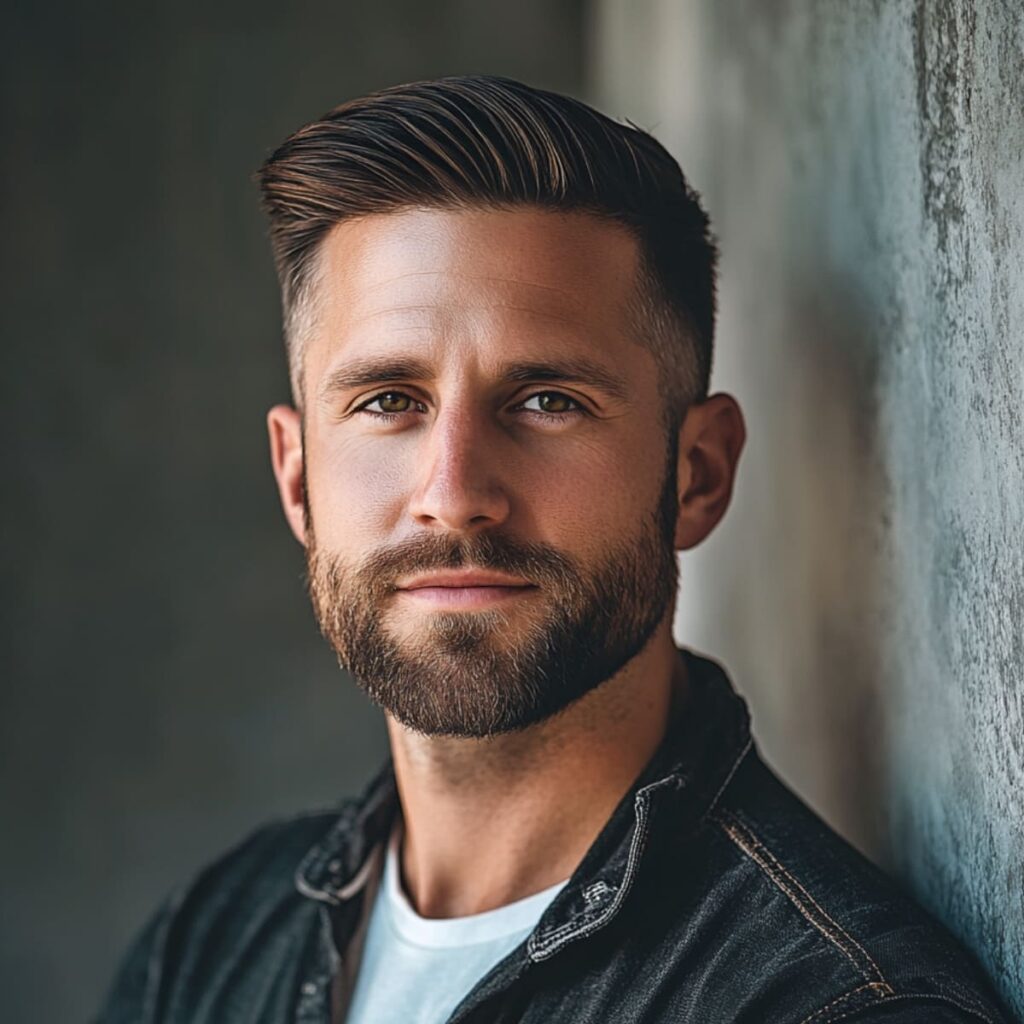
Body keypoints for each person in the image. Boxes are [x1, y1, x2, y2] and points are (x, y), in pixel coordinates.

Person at [96, 75, 1013, 1024]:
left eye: (547, 402)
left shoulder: (837, 1006)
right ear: (297, 479)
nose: (454, 496)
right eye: (387, 402)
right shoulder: (204, 949)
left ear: (696, 474)